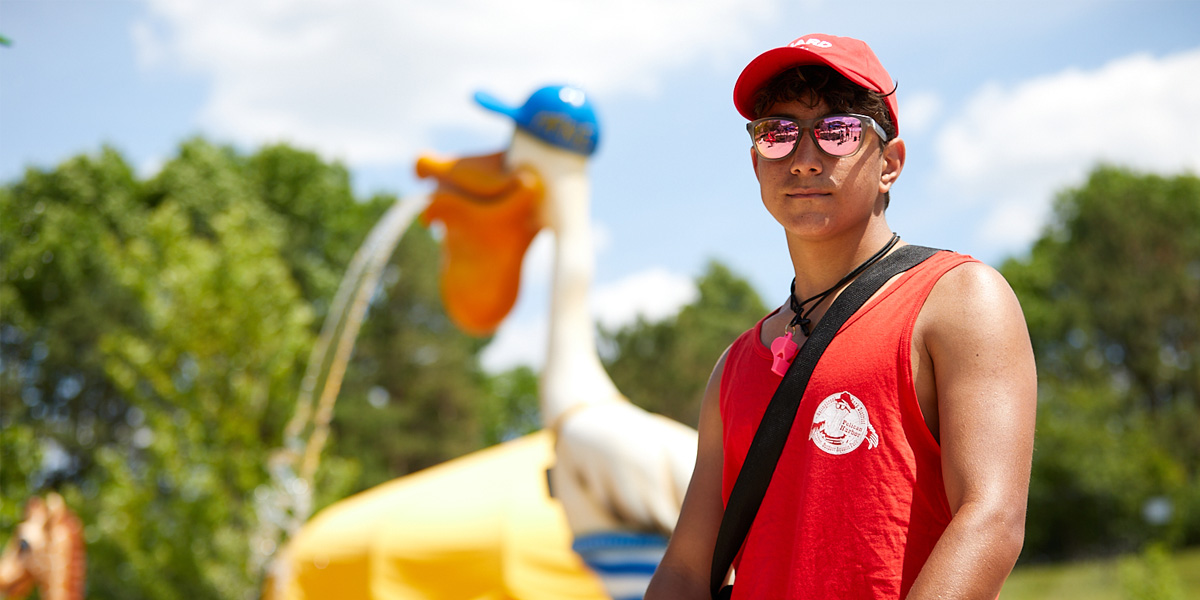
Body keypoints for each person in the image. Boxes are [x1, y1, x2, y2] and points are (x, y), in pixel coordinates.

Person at [644, 33, 1037, 600]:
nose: (804, 159)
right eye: (777, 134)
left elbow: (991, 520)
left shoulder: (957, 299)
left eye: (838, 131)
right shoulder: (733, 366)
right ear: (756, 164)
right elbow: (685, 570)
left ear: (890, 163)